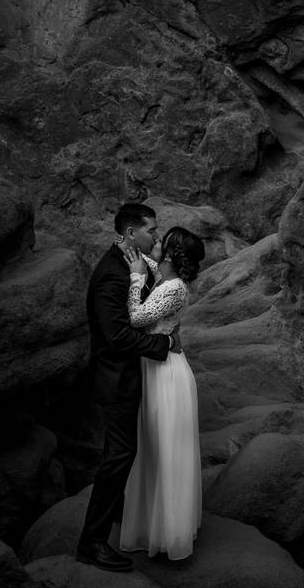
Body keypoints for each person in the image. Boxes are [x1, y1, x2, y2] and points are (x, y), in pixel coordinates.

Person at [76, 203, 182, 573]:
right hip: (115, 380)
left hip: (127, 377)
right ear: (130, 233)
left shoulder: (128, 263)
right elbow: (118, 336)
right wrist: (164, 346)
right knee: (119, 456)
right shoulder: (111, 274)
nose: (156, 235)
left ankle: (118, 512)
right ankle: (91, 543)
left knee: (122, 453)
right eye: (152, 229)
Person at [118, 226, 204, 560]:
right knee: (152, 448)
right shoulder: (166, 276)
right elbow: (156, 271)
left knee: (166, 451)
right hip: (155, 370)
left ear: (169, 254)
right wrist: (141, 262)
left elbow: (137, 317)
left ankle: (170, 534)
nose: (153, 243)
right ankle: (151, 525)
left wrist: (136, 279)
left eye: (158, 242)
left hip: (167, 376)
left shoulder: (176, 288)